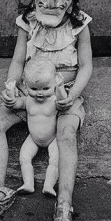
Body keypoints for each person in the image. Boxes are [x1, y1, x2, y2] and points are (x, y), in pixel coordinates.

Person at [0, 0, 93, 221]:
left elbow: (85, 68)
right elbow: (18, 61)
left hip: (63, 96)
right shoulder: (27, 22)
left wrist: (71, 94)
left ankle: (64, 204)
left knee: (66, 133)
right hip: (29, 94)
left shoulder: (80, 25)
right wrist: (10, 86)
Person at [6, 56, 67, 197]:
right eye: (34, 88)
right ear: (26, 86)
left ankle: (49, 185)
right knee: (24, 158)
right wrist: (10, 90)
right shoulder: (28, 100)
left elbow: (63, 102)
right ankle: (28, 184)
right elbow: (14, 104)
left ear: (53, 84)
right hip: (32, 138)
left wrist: (60, 87)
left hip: (53, 138)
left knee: (55, 160)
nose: (40, 93)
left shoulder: (53, 99)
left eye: (46, 88)